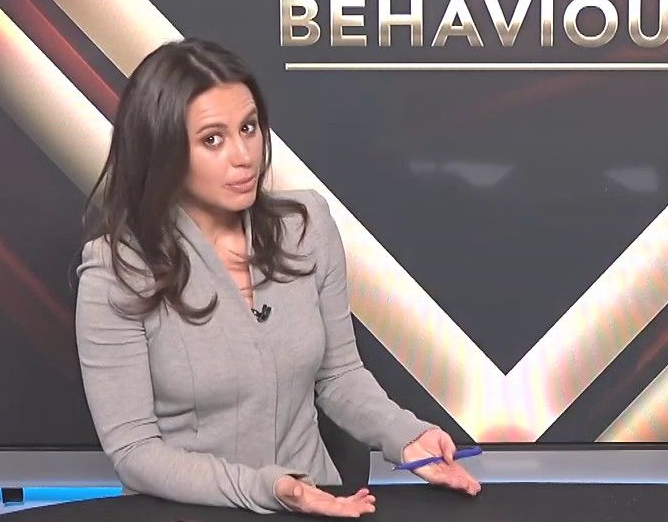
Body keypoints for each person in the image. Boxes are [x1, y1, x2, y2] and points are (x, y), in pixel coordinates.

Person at [75, 38, 481, 516]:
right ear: (162, 150)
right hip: (196, 510)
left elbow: (340, 376)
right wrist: (274, 489)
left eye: (248, 128)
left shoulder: (305, 227)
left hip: (323, 501)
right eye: (212, 139)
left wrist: (406, 436)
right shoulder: (115, 271)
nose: (243, 155)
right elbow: (134, 452)